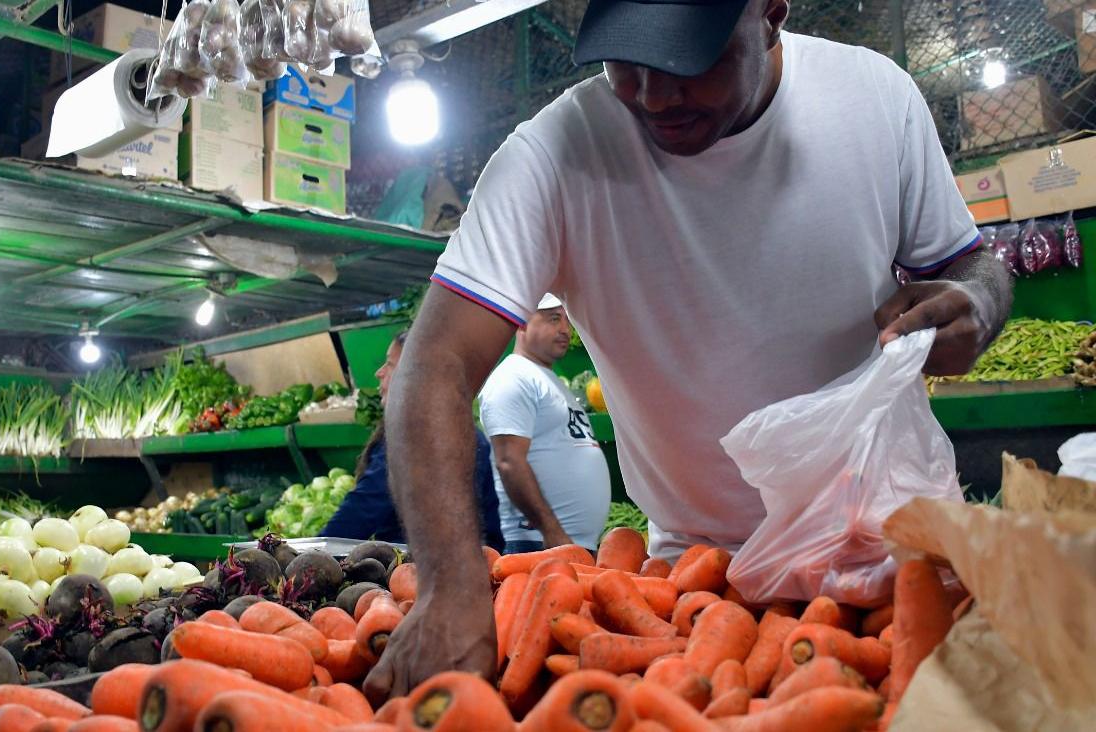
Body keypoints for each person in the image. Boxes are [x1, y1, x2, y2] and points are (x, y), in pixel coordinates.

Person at [362, 0, 1012, 701]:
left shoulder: (876, 100)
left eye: (687, 60)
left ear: (770, 15)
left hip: (899, 565)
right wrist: (449, 586)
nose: (653, 94)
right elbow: (435, 365)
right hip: (698, 590)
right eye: (627, 60)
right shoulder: (554, 154)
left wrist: (977, 306)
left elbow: (978, 267)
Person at [321, 330, 504, 551]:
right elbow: (491, 530)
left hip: (414, 575)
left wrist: (312, 554)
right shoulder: (472, 435)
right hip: (474, 567)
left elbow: (360, 513)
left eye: (389, 364)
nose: (379, 373)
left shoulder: (409, 438)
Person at [479, 293, 611, 553]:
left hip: (567, 545)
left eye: (567, 320)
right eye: (553, 319)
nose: (565, 329)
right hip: (538, 545)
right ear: (522, 321)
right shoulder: (513, 378)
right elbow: (509, 462)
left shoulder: (548, 379)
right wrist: (551, 530)